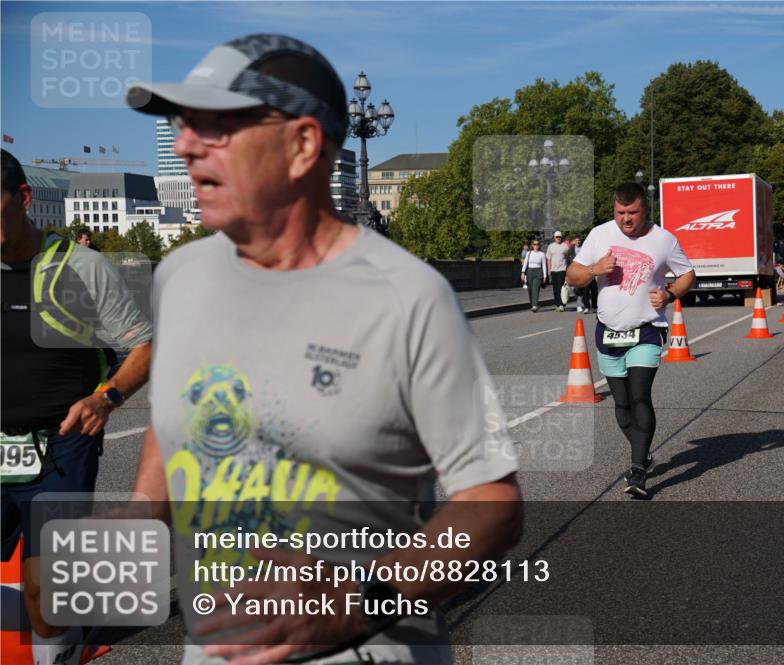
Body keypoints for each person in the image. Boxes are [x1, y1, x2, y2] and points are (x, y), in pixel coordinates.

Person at [125, 34, 522, 664]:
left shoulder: (408, 296)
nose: (184, 145)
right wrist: (138, 523)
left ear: (303, 145)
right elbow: (169, 417)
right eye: (183, 125)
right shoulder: (181, 275)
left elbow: (491, 504)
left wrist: (357, 606)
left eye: (217, 126)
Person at [1, 149, 153, 665]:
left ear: (23, 198)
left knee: (45, 596)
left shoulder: (82, 268)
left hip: (60, 448)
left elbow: (144, 347)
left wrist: (105, 398)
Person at [566, 182, 695, 499]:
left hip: (647, 330)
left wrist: (669, 294)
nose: (626, 219)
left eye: (632, 212)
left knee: (639, 397)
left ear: (644, 209)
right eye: (620, 212)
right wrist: (595, 268)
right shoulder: (600, 235)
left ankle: (638, 470)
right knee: (622, 406)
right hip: (608, 331)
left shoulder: (663, 239)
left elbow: (688, 274)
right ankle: (646, 455)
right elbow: (573, 275)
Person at [546, 230, 571, 311]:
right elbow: (549, 259)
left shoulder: (565, 246)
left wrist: (568, 269)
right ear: (554, 238)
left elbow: (568, 258)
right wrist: (549, 269)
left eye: (559, 237)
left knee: (561, 287)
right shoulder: (550, 246)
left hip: (562, 270)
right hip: (553, 270)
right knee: (555, 288)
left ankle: (561, 304)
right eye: (557, 237)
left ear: (561, 237)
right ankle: (557, 304)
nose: (558, 238)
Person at [522, 238, 547, 312]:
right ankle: (533, 303)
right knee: (530, 289)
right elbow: (525, 263)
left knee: (535, 288)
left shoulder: (542, 254)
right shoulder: (529, 253)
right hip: (530, 271)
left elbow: (544, 266)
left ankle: (534, 305)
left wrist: (545, 276)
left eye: (537, 244)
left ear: (539, 246)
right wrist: (522, 272)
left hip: (538, 271)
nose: (536, 246)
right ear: (532, 245)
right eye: (534, 244)